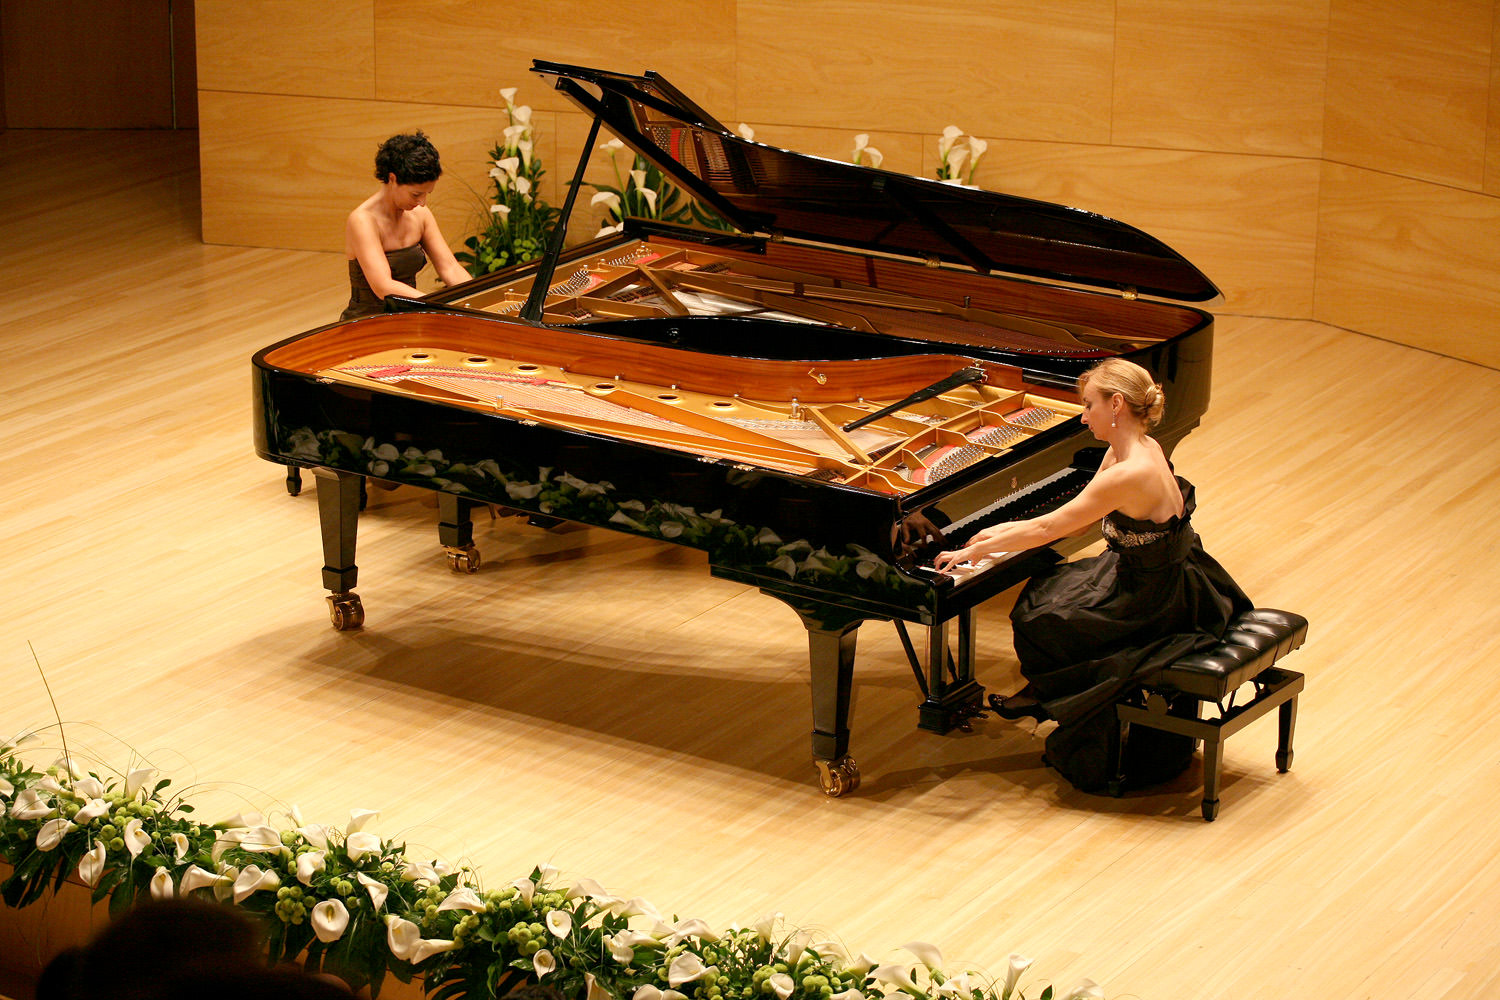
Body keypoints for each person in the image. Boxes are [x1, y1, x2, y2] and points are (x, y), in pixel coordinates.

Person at [933, 357, 1252, 792]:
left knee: (1038, 618)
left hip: (1154, 599)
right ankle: (1061, 699)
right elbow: (1073, 517)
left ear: (1116, 404)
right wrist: (988, 535)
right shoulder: (1138, 447)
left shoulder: (1130, 472)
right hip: (1158, 575)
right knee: (1046, 590)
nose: (1083, 417)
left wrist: (977, 548)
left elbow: (1049, 528)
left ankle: (1073, 709)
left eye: (1088, 405)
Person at [342, 130, 471, 320]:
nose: (423, 203)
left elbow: (450, 268)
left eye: (427, 194)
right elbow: (383, 286)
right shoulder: (363, 220)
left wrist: (476, 303)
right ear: (392, 179)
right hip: (368, 322)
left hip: (411, 316)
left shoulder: (420, 215)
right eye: (416, 195)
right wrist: (437, 307)